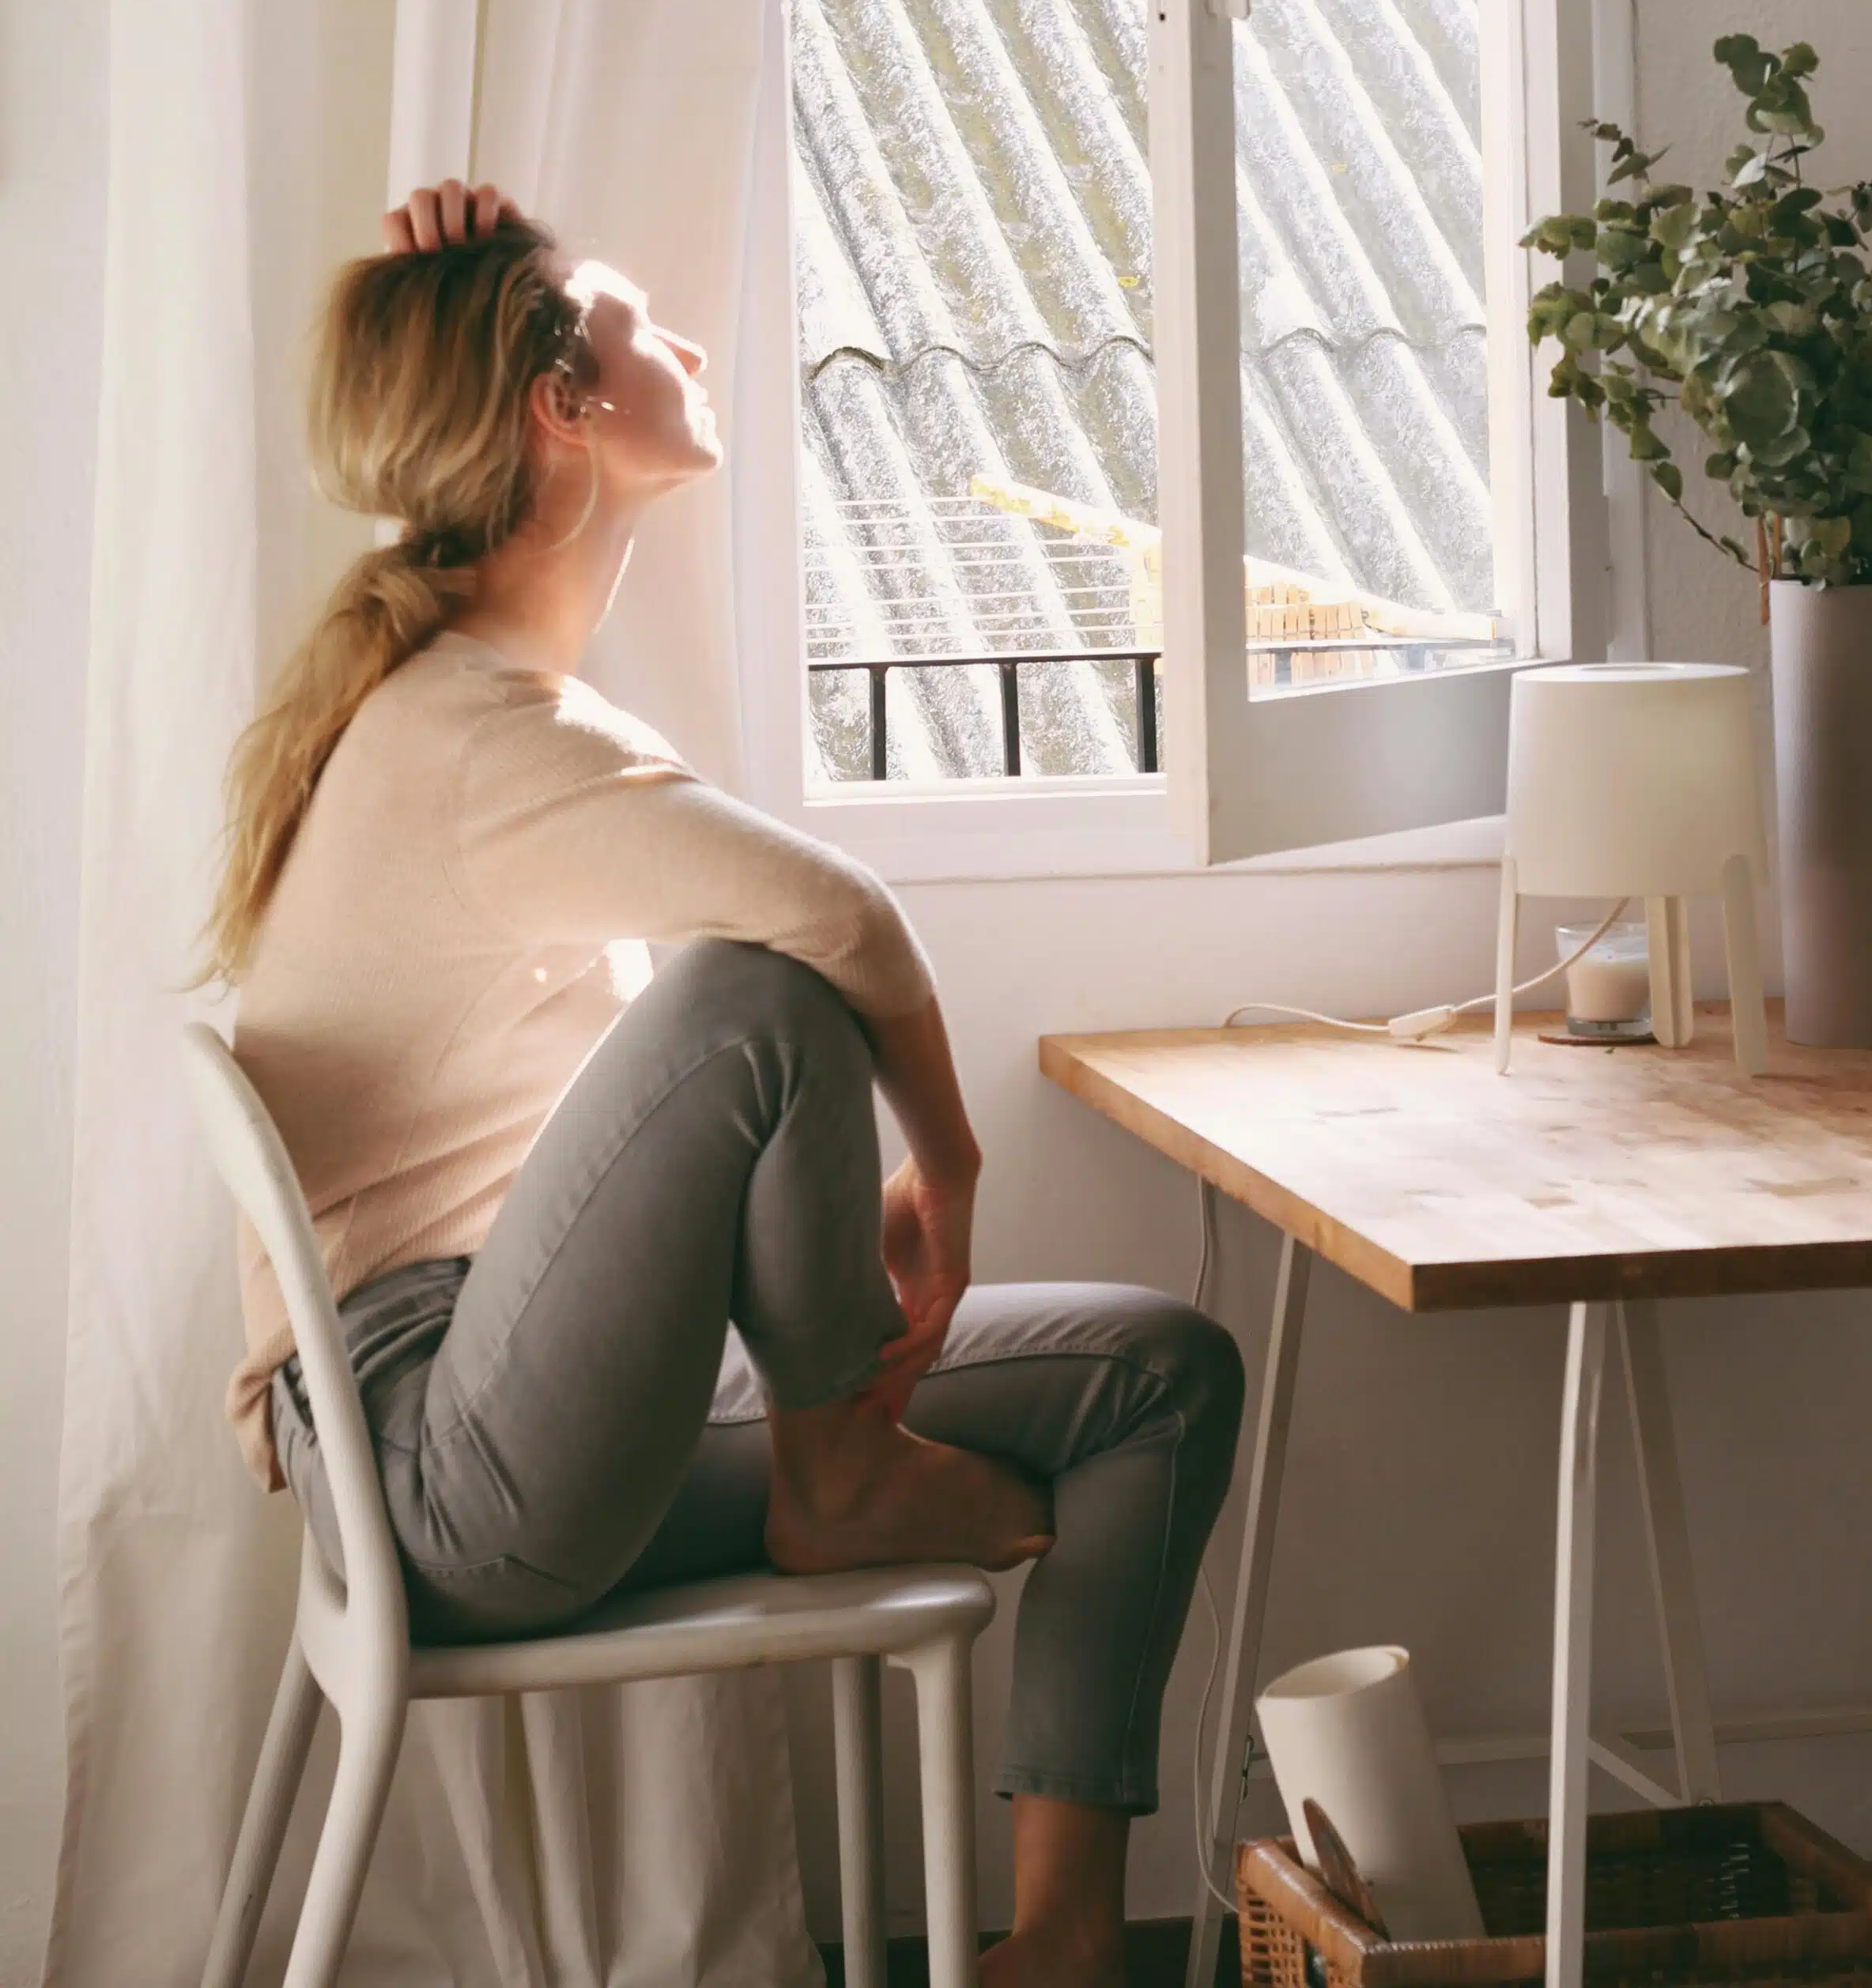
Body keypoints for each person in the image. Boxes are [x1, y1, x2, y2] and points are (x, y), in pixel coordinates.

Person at [210, 176, 1243, 1988]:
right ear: (562, 407)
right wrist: (953, 1168)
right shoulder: (463, 731)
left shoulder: (496, 708)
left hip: (521, 1417)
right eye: (626, 320)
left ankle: (1063, 1945)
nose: (682, 341)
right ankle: (837, 1461)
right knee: (754, 991)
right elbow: (830, 918)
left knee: (1154, 1377)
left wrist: (512, 245)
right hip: (441, 1465)